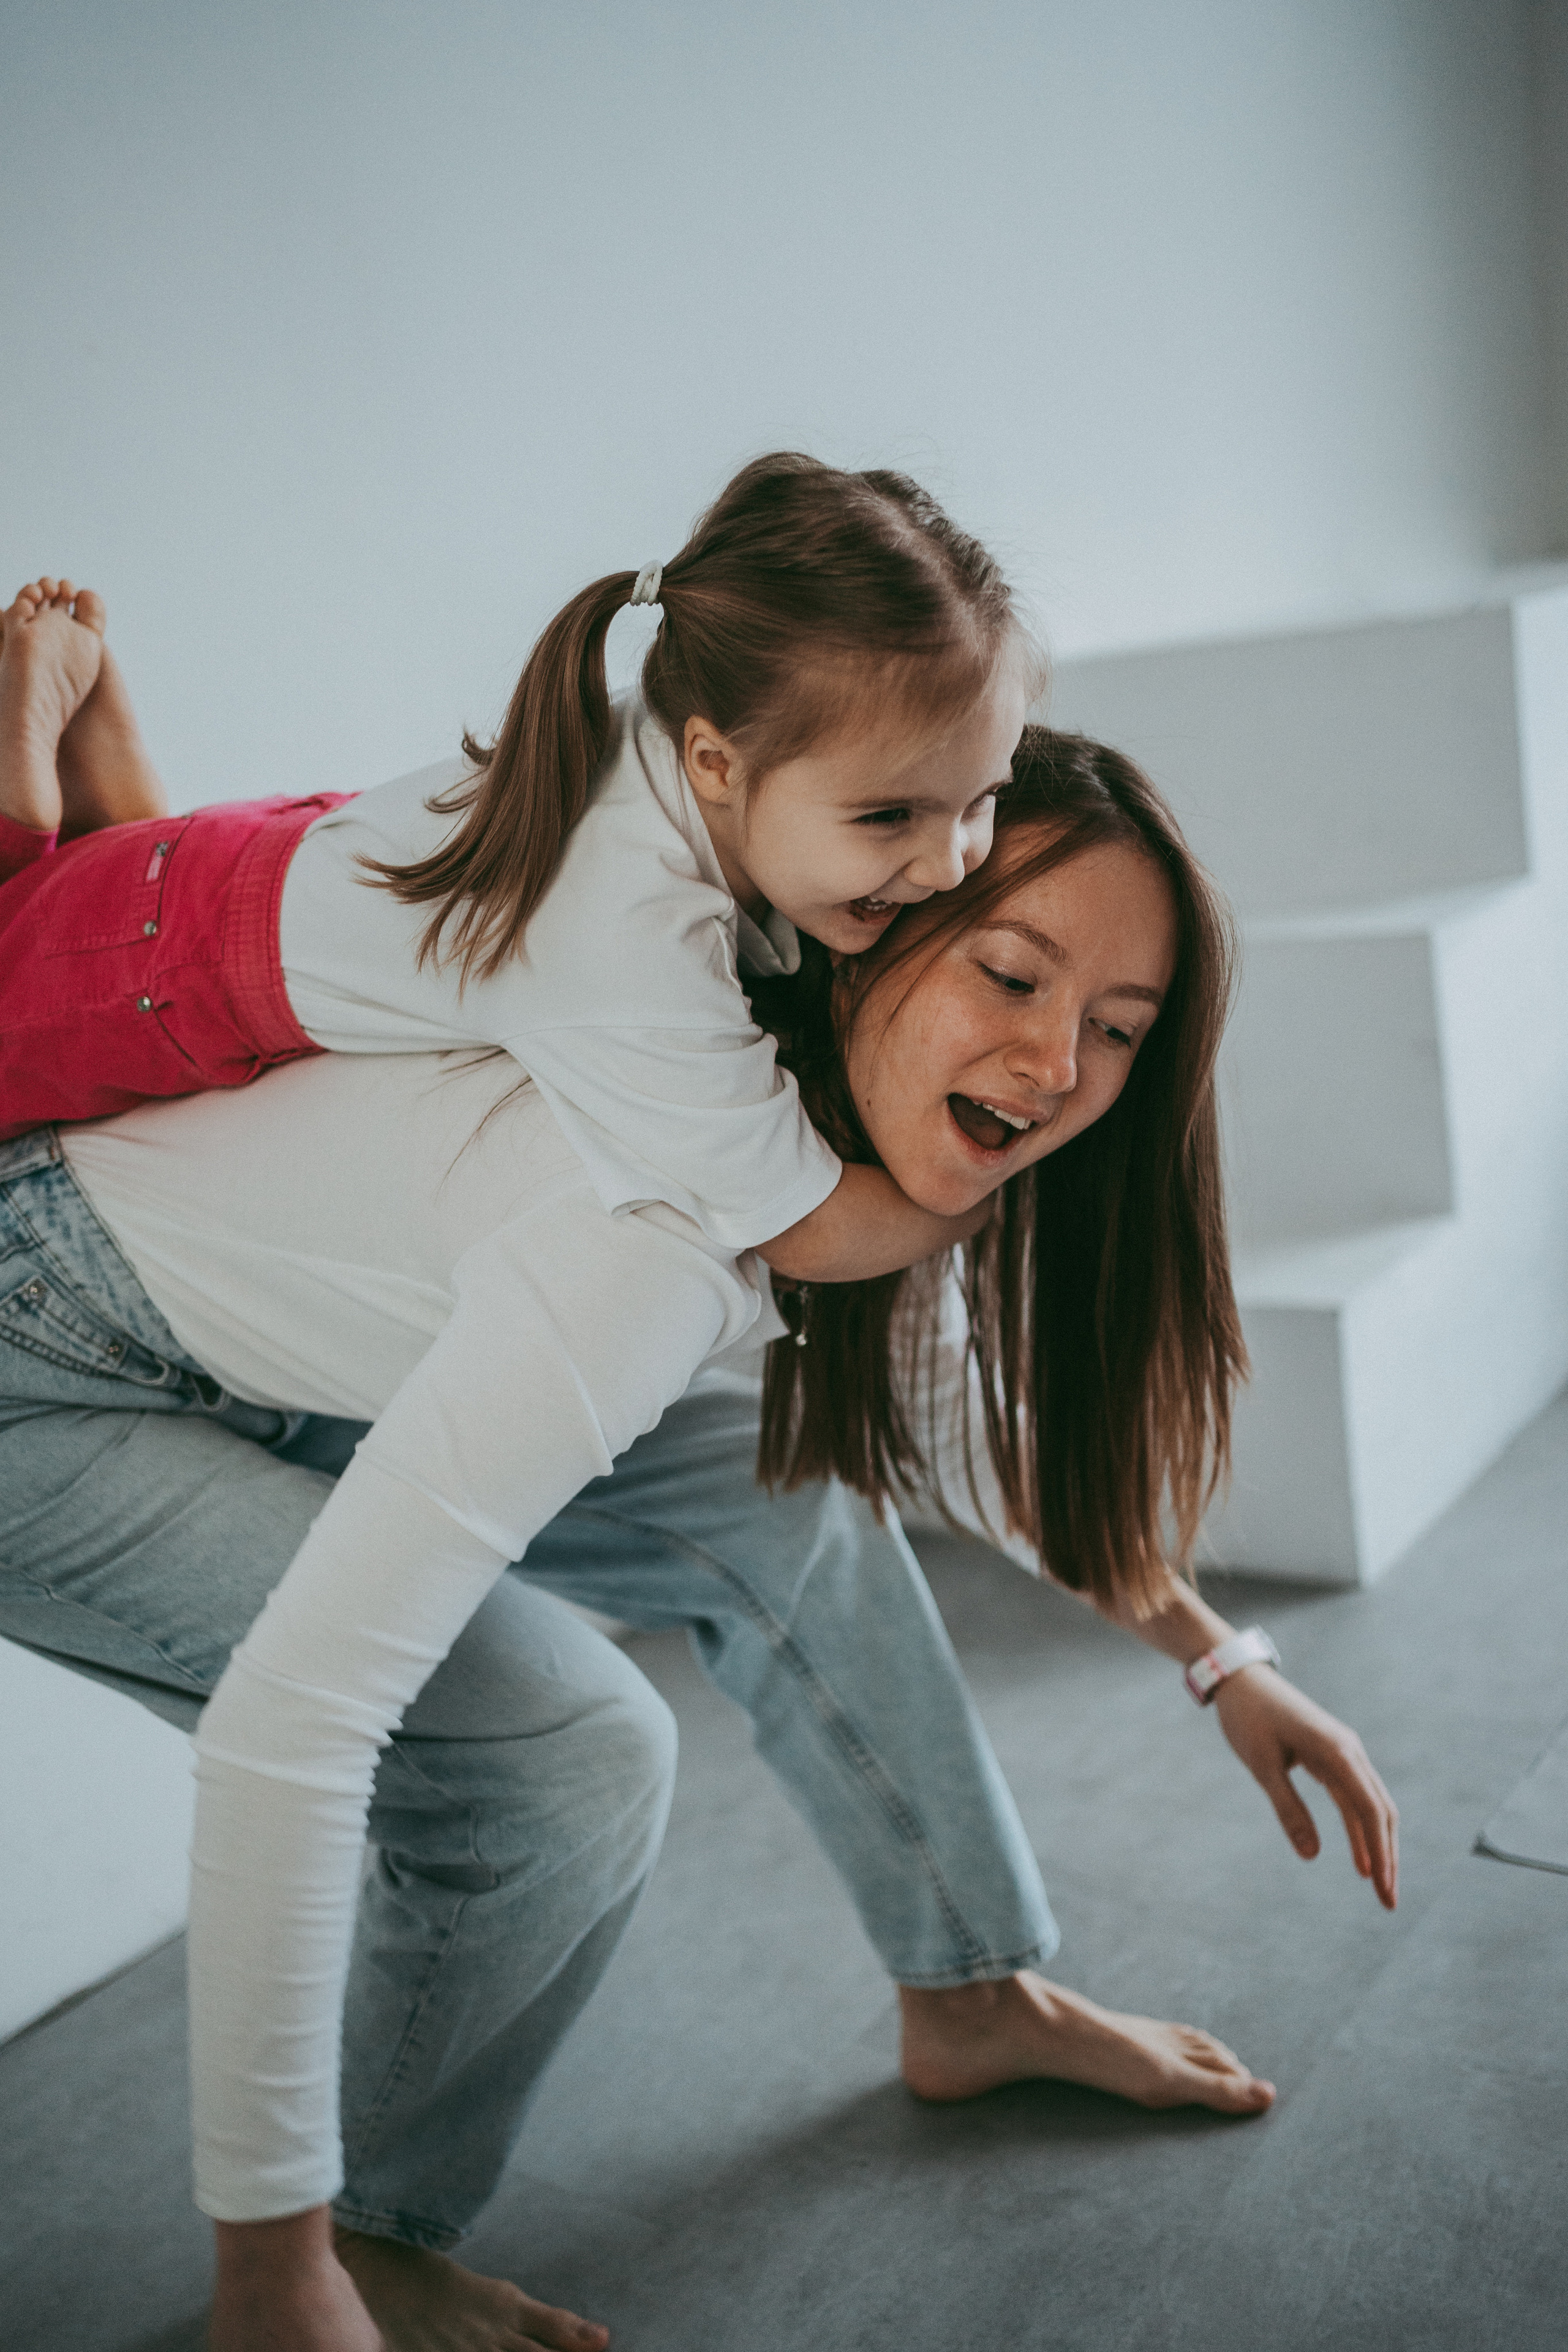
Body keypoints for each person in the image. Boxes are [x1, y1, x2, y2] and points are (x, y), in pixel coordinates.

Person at [0, 625, 1397, 2351]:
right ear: (871, 926)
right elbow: (298, 1727)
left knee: (790, 1491)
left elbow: (950, 1432)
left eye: (1115, 1029)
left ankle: (972, 1990)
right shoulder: (641, 1228)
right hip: (42, 1372)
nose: (1055, 1069)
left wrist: (1218, 1655)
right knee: (570, 1756)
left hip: (277, 1349)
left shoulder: (829, 1134)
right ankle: (362, 2242)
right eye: (1011, 976)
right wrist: (267, 2270)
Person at [0, 451, 1042, 1292]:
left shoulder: (689, 727)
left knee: (87, 899)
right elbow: (802, 1226)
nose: (951, 862)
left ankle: (104, 818)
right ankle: (29, 814)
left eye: (981, 799)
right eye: (890, 816)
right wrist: (992, 1190)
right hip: (174, 964)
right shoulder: (628, 934)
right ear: (717, 764)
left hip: (238, 876)